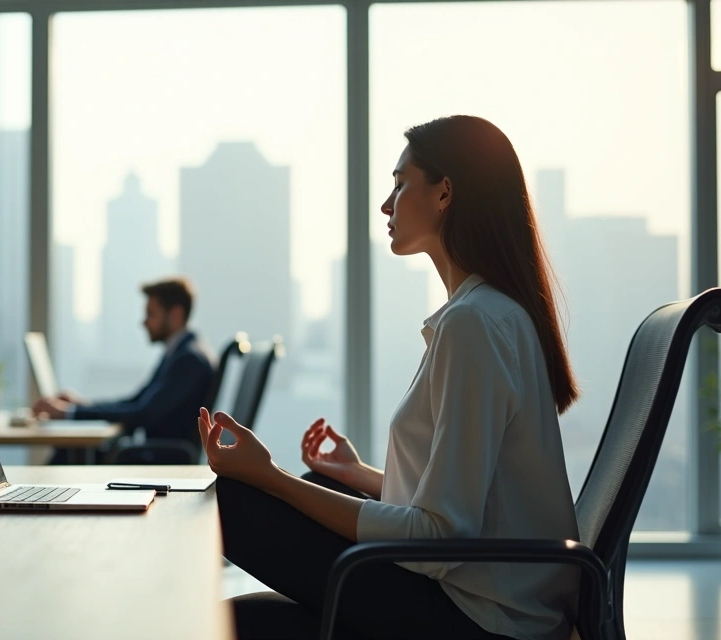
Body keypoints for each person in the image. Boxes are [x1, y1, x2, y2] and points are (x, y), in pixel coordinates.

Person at [198, 116, 581, 640]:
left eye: (400, 183)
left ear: (445, 192)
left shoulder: (475, 324)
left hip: (482, 619)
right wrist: (356, 474)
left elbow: (442, 535)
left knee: (235, 504)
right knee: (302, 506)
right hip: (480, 593)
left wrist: (270, 476)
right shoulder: (485, 314)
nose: (386, 203)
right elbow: (466, 505)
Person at [34, 277, 215, 464]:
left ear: (176, 314)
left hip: (160, 458)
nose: (144, 322)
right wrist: (82, 405)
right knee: (71, 452)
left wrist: (69, 412)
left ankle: (36, 494)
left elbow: (142, 414)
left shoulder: (188, 359)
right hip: (154, 452)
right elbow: (136, 401)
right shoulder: (181, 353)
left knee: (70, 454)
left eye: (151, 314)